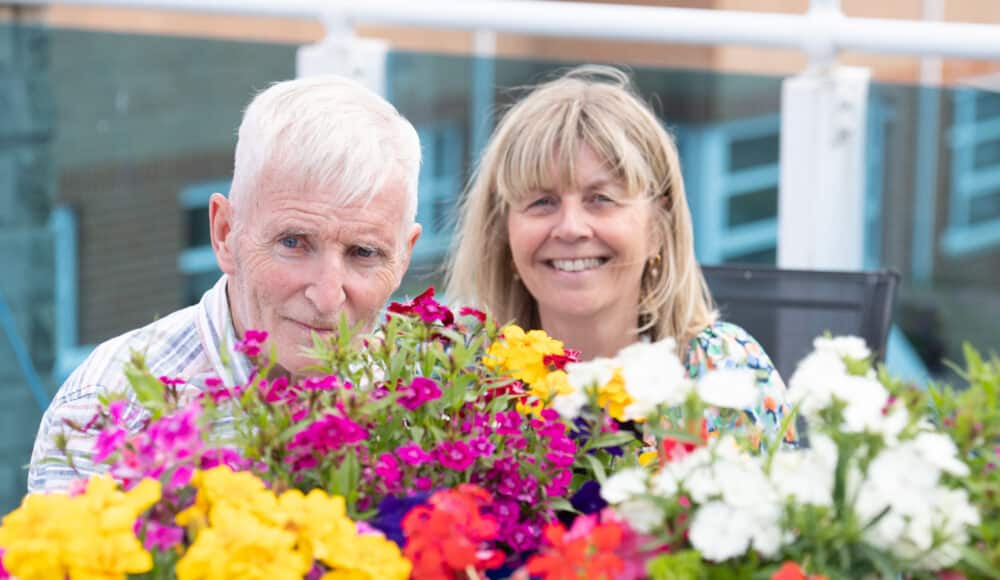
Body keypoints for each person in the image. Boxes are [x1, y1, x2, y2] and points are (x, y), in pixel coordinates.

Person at [29, 75, 423, 492]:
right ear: (224, 234)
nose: (327, 297)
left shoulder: (428, 405)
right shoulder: (108, 411)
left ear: (404, 257)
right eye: (293, 243)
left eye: (364, 252)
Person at [445, 66, 790, 440]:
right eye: (542, 201)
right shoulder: (457, 376)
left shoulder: (723, 373)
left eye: (601, 199)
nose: (571, 227)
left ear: (658, 227)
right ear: (503, 232)